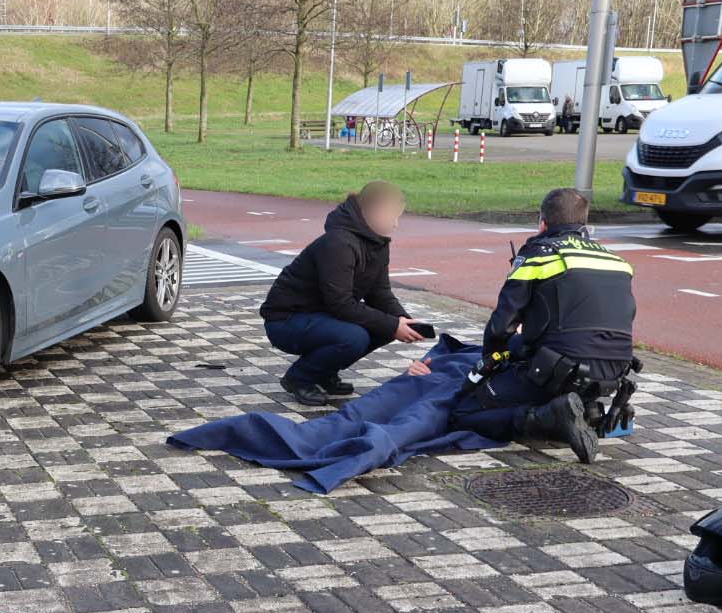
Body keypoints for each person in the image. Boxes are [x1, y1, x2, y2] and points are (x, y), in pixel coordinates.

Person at [436, 187, 635, 464]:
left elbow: (502, 324)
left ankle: (548, 418)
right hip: (613, 372)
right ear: (584, 224)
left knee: (465, 413)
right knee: (528, 348)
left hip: (560, 367)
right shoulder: (617, 261)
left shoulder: (539, 253)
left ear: (542, 222)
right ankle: (581, 406)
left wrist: (489, 364)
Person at [259, 180, 427, 407]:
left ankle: (324, 372)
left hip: (323, 317)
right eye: (391, 217)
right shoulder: (338, 243)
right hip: (287, 320)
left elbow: (380, 293)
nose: (395, 224)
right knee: (354, 336)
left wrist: (403, 321)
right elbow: (341, 303)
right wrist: (391, 324)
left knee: (387, 325)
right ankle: (300, 378)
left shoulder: (377, 243)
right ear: (369, 212)